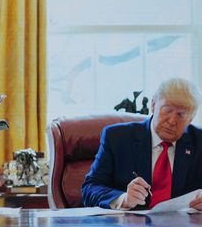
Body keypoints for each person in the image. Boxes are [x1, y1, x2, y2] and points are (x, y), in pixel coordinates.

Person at [82, 77, 202, 210]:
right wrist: (124, 199)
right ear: (153, 105)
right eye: (167, 110)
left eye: (181, 115)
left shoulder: (199, 141)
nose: (172, 120)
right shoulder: (118, 138)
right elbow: (90, 188)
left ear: (191, 118)